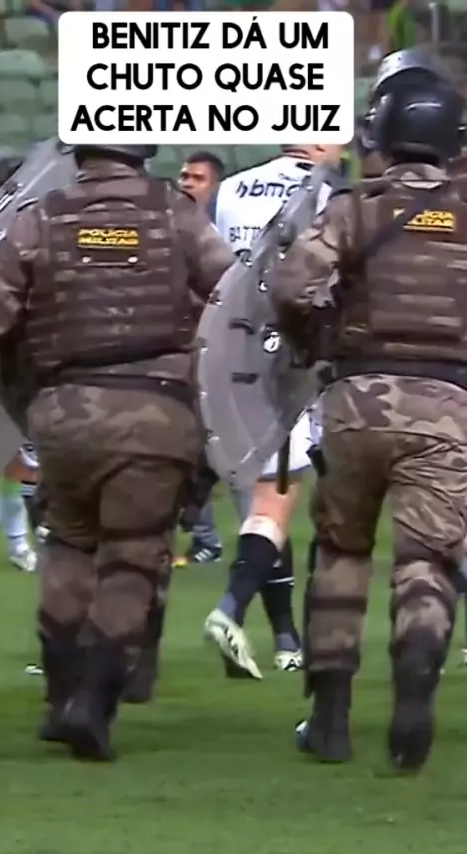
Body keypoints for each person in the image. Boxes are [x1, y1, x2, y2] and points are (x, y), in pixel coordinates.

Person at [0, 142, 234, 762]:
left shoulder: (40, 217)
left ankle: (59, 696)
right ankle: (93, 705)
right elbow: (234, 300)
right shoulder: (176, 214)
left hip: (62, 411)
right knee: (131, 557)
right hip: (157, 411)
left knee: (68, 545)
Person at [268, 49, 467, 771]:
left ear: (381, 133)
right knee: (428, 559)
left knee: (342, 551)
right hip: (448, 406)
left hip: (357, 398)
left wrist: (313, 338)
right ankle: (415, 687)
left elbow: (292, 287)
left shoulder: (354, 208)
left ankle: (330, 718)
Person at [204, 143, 343, 680]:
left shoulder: (231, 189)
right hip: (299, 367)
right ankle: (242, 613)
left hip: (230, 362)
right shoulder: (335, 194)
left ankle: (283, 637)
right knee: (297, 507)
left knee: (261, 503)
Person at [174, 150, 226, 567]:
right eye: (184, 176)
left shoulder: (220, 229)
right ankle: (202, 534)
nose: (187, 183)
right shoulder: (173, 224)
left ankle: (206, 535)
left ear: (216, 185)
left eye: (197, 178)